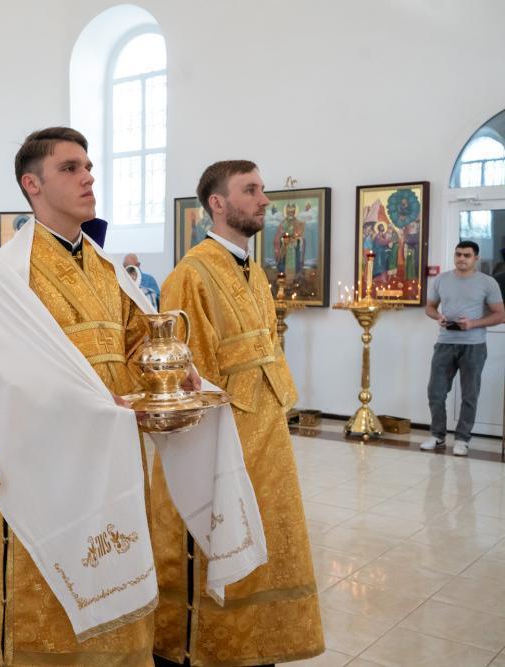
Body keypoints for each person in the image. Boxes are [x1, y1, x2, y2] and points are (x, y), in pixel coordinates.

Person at [0, 127, 199, 665]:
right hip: (41, 465)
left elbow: (136, 346)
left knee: (116, 577)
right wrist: (95, 408)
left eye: (88, 167)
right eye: (70, 168)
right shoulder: (4, 276)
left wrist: (171, 373)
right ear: (32, 184)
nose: (87, 177)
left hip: (113, 456)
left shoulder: (108, 270)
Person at [153, 160, 324, 666]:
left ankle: (255, 643)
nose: (264, 200)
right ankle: (208, 646)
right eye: (251, 190)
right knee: (220, 536)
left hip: (266, 434)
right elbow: (188, 374)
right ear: (218, 203)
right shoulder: (191, 273)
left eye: (262, 190)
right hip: (222, 440)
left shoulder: (251, 269)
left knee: (264, 535)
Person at [420, 240, 504, 456]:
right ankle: (437, 435)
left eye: (467, 255)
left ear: (476, 258)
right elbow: (429, 307)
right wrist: (438, 316)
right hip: (445, 344)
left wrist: (473, 324)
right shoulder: (442, 279)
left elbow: (500, 315)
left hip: (474, 346)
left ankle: (462, 439)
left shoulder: (488, 283)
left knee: (469, 394)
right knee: (435, 392)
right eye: (458, 254)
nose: (461, 259)